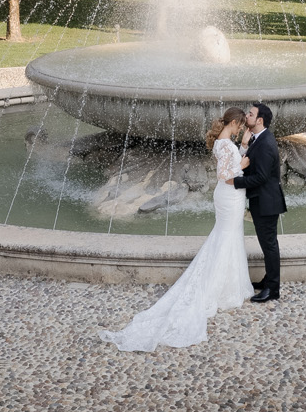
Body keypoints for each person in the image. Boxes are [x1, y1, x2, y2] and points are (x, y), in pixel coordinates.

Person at [99, 107, 255, 352]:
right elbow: (225, 175)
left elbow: (231, 163)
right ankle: (220, 288)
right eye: (240, 126)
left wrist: (243, 149)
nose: (240, 130)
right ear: (234, 122)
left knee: (227, 237)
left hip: (228, 197)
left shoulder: (222, 143)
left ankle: (227, 284)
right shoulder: (226, 146)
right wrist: (243, 163)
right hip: (229, 194)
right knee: (226, 237)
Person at [230, 101, 286, 302]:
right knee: (267, 244)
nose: (247, 116)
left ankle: (273, 289)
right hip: (263, 201)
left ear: (259, 120)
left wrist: (236, 182)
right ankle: (268, 280)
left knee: (269, 245)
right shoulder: (259, 139)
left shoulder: (265, 143)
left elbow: (261, 177)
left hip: (266, 202)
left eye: (251, 114)